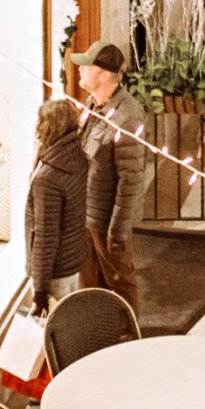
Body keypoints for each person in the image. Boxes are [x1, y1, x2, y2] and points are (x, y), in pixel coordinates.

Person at [71, 41, 146, 313]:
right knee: (92, 287)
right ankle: (98, 340)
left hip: (106, 222)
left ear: (104, 75)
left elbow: (132, 180)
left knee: (119, 287)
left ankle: (129, 345)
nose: (79, 71)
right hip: (88, 216)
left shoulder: (127, 117)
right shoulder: (94, 105)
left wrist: (117, 231)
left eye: (86, 66)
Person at [25, 99, 88, 317]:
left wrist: (40, 290)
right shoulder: (77, 157)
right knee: (72, 323)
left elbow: (45, 236)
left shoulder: (47, 178)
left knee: (54, 332)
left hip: (54, 273)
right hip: (73, 262)